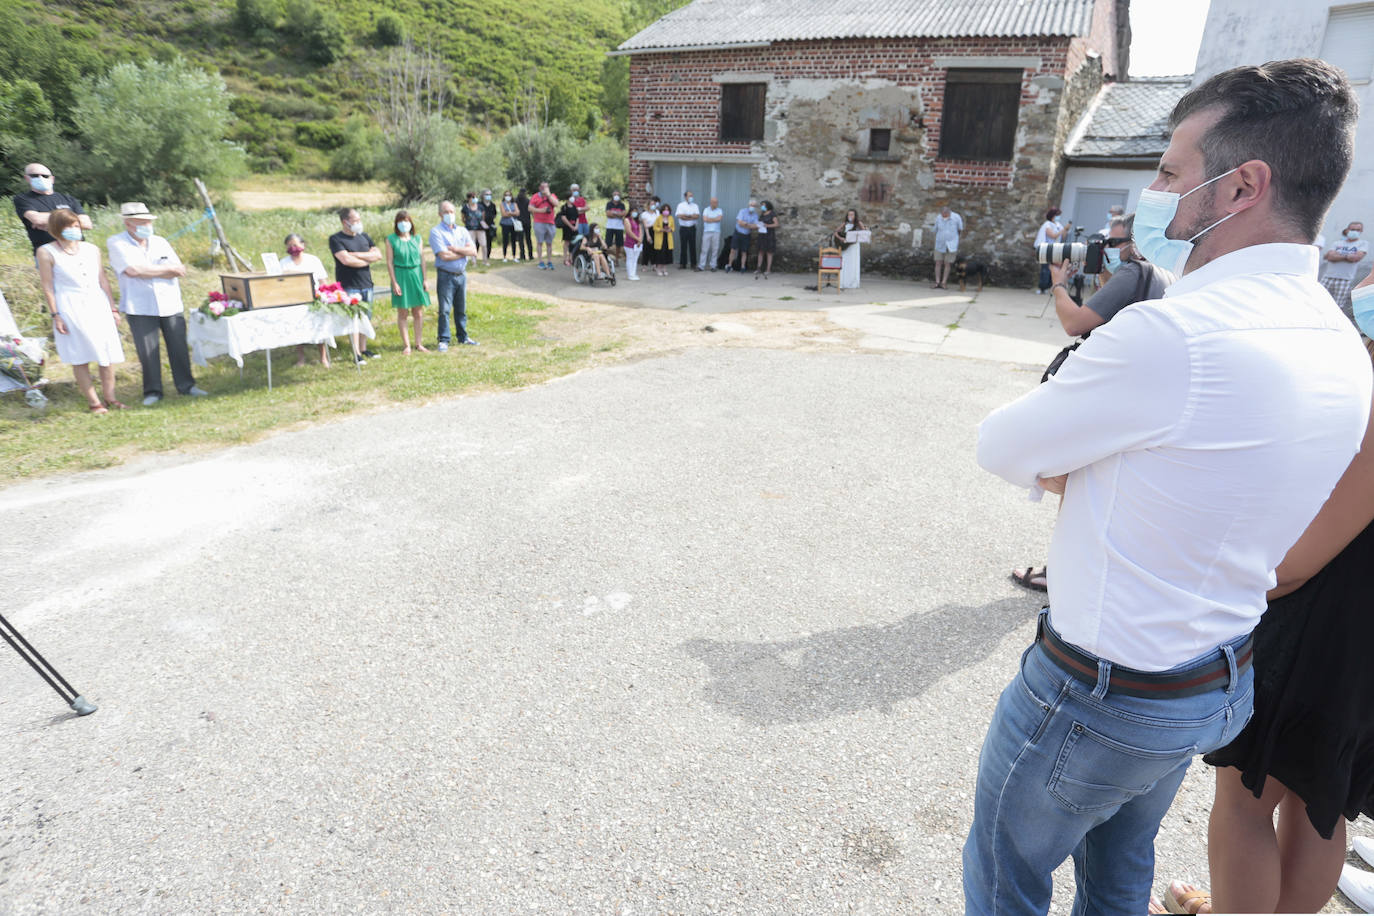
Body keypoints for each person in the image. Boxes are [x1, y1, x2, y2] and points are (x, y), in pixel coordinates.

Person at [965, 58, 1372, 916]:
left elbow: (1002, 441)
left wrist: (1091, 463)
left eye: (1170, 172)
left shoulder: (1173, 335)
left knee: (1006, 877)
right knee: (1119, 870)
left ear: (1240, 187)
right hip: (1213, 675)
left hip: (1101, 685)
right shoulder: (1337, 337)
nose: (1153, 192)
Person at [1157, 275, 1374, 915]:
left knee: (1249, 803)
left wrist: (1216, 588)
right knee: (1322, 802)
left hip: (1325, 624)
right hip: (1363, 642)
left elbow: (1303, 560)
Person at [1010, 213, 1174, 592]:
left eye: (1113, 244)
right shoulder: (1164, 275)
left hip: (1113, 395)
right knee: (1110, 489)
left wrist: (1058, 286)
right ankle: (1090, 570)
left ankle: (1060, 572)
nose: (1107, 250)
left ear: (1134, 245)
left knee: (1077, 481)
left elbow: (1076, 323)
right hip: (1143, 395)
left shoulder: (1134, 272)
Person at [106, 202, 206, 406]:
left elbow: (179, 269)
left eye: (148, 222)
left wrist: (148, 270)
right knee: (147, 350)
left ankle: (186, 385)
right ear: (128, 223)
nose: (147, 226)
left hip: (169, 302)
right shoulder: (116, 243)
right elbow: (133, 271)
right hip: (139, 305)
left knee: (178, 346)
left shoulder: (160, 242)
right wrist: (162, 270)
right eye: (141, 222)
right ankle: (153, 391)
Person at [37, 208, 125, 413]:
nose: (74, 230)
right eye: (69, 226)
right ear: (57, 229)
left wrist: (112, 307)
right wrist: (56, 314)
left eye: (76, 225)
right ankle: (94, 401)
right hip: (70, 304)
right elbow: (48, 285)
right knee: (80, 353)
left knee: (107, 352)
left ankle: (111, 396)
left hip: (97, 301)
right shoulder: (46, 252)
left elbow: (102, 278)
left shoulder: (91, 249)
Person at [329, 207, 383, 365]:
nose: (359, 223)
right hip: (349, 285)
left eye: (359, 220)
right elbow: (345, 260)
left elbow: (378, 255)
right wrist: (367, 259)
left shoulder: (364, 237)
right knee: (352, 319)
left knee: (366, 317)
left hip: (367, 284)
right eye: (355, 221)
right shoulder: (336, 239)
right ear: (345, 222)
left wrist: (356, 255)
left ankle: (364, 348)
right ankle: (356, 353)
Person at [430, 200, 479, 350]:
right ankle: (444, 339)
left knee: (461, 308)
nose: (449, 215)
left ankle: (463, 337)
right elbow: (444, 256)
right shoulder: (436, 232)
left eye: (451, 211)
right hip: (446, 275)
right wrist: (463, 253)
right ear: (440, 214)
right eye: (446, 212)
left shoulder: (462, 231)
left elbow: (474, 251)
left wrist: (456, 250)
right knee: (444, 310)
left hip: (461, 275)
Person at [13, 162, 90, 255]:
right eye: (35, 175)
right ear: (27, 178)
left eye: (45, 176)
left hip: (78, 248)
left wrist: (50, 223)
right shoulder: (23, 199)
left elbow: (87, 223)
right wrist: (71, 219)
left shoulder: (69, 199)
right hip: (48, 252)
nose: (40, 178)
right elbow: (37, 219)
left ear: (52, 179)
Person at [281, 234, 332, 368]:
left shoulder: (313, 260)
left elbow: (323, 281)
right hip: (293, 300)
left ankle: (323, 357)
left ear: (303, 245)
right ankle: (301, 358)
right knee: (297, 329)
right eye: (290, 245)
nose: (293, 248)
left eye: (296, 245)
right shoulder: (283, 263)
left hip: (313, 298)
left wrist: (325, 295)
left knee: (318, 327)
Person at [385, 210, 429, 356]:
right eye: (401, 221)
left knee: (418, 311)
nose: (405, 224)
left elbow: (422, 259)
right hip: (401, 275)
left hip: (416, 274)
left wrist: (425, 279)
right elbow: (390, 262)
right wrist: (394, 282)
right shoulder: (391, 239)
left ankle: (419, 343)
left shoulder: (417, 238)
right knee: (402, 312)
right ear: (397, 223)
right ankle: (406, 345)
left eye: (407, 220)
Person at [1320, 220, 1367, 318]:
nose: (1355, 231)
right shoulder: (1337, 243)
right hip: (1328, 276)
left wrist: (1337, 256)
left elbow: (1356, 258)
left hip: (1345, 279)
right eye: (1352, 229)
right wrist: (1347, 257)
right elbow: (1329, 257)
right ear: (1347, 230)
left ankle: (1333, 321)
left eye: (1358, 230)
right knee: (1319, 299)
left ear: (1361, 231)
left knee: (1338, 306)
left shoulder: (1363, 244)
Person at [1033, 207, 1071, 293]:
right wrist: (1063, 229)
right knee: (1045, 269)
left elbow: (1063, 237)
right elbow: (1053, 235)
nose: (1058, 217)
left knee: (1052, 269)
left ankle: (1049, 287)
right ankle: (1042, 287)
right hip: (1045, 249)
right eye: (1057, 215)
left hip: (1054, 250)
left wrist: (1066, 230)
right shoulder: (1047, 224)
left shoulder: (1058, 225)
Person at [932, 204, 963, 289]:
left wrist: (954, 239)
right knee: (938, 262)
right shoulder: (938, 217)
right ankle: (937, 282)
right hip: (940, 243)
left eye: (945, 215)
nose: (943, 216)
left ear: (949, 213)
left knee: (947, 263)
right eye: (942, 214)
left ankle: (944, 282)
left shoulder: (956, 217)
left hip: (951, 244)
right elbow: (935, 229)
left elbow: (960, 229)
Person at [832, 209, 865, 289]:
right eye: (849, 215)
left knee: (853, 263)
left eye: (852, 215)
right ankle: (844, 282)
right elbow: (835, 232)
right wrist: (841, 238)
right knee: (845, 263)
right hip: (846, 245)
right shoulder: (845, 223)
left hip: (854, 246)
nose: (850, 216)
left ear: (855, 216)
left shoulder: (858, 223)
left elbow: (864, 233)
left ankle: (853, 283)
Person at [529, 182, 558, 270]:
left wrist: (548, 195)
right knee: (540, 242)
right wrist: (541, 210)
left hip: (550, 223)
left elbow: (556, 204)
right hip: (539, 222)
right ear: (539, 188)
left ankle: (549, 261)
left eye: (546, 187)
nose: (544, 188)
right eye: (542, 187)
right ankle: (540, 262)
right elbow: (530, 208)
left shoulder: (552, 195)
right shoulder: (535, 196)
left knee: (549, 243)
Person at [726, 199, 759, 273]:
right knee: (733, 250)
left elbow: (756, 226)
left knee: (744, 252)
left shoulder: (755, 215)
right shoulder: (742, 211)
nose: (752, 207)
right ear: (749, 205)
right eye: (751, 205)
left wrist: (746, 224)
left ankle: (742, 267)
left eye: (754, 206)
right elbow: (739, 222)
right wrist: (749, 225)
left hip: (746, 235)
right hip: (738, 233)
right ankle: (729, 265)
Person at [675, 190, 700, 270]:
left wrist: (686, 217)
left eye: (692, 196)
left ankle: (693, 264)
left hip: (692, 228)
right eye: (689, 196)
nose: (691, 197)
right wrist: (690, 216)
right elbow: (680, 216)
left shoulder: (695, 206)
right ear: (685, 197)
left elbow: (696, 216)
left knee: (692, 246)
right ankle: (683, 263)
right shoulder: (681, 205)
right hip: (683, 228)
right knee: (683, 246)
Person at [755, 200, 778, 279]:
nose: (762, 207)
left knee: (769, 252)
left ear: (768, 206)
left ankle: (768, 269)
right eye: (761, 205)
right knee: (760, 251)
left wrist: (767, 225)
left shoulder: (772, 214)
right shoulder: (762, 214)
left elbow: (776, 224)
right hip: (762, 235)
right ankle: (758, 268)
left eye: (764, 205)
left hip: (769, 235)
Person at [650, 204, 676, 276]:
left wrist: (670, 229)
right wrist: (661, 229)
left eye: (667, 210)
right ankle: (658, 269)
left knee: (666, 253)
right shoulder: (659, 218)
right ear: (662, 210)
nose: (666, 211)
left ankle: (664, 269)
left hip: (668, 238)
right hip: (660, 238)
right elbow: (654, 227)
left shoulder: (671, 218)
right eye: (664, 210)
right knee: (660, 254)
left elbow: (673, 228)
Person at [699, 196, 724, 271]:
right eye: (714, 202)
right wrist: (714, 219)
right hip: (707, 232)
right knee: (704, 249)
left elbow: (719, 219)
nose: (716, 203)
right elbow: (705, 219)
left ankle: (713, 266)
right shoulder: (706, 210)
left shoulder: (720, 210)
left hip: (716, 232)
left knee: (715, 249)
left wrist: (710, 219)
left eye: (717, 202)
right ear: (711, 203)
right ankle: (701, 266)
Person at [557, 195, 581, 267]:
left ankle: (571, 257)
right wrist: (570, 226)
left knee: (574, 242)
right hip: (567, 227)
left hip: (574, 227)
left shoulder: (574, 207)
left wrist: (576, 226)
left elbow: (577, 218)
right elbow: (563, 218)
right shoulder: (564, 207)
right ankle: (565, 258)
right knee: (567, 242)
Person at [604, 192, 627, 264]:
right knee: (607, 243)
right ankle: (605, 258)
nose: (616, 196)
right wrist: (618, 215)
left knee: (619, 244)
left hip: (619, 227)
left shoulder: (622, 205)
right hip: (610, 226)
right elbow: (608, 214)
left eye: (618, 195)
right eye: (615, 195)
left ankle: (616, 259)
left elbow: (623, 214)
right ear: (612, 196)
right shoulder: (609, 204)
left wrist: (614, 213)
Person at [462, 194, 486, 261]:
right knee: (472, 245)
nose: (475, 198)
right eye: (473, 197)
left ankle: (485, 260)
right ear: (469, 199)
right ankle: (473, 261)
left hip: (480, 228)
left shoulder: (480, 207)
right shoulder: (465, 208)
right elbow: (463, 218)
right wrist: (469, 224)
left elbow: (483, 217)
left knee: (483, 244)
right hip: (470, 229)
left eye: (475, 197)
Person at [499, 190, 521, 262]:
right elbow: (503, 214)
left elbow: (518, 213)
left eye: (509, 195)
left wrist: (509, 213)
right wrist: (513, 213)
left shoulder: (514, 204)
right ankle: (504, 256)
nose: (507, 197)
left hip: (513, 224)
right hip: (505, 224)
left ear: (511, 196)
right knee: (505, 240)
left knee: (514, 240)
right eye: (506, 195)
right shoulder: (502, 204)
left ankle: (514, 256)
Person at [624, 205, 643, 281]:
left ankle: (634, 273)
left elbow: (640, 231)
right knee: (630, 258)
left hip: (638, 243)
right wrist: (637, 238)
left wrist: (640, 239)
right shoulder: (627, 220)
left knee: (635, 259)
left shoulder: (637, 221)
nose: (635, 213)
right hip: (630, 242)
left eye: (636, 211)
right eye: (633, 211)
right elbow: (629, 231)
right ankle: (630, 274)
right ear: (630, 212)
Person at [480, 190, 498, 262]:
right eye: (486, 194)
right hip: (480, 225)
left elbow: (495, 214)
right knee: (478, 242)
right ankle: (475, 256)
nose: (488, 196)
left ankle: (487, 256)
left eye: (490, 194)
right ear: (483, 196)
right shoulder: (479, 204)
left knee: (489, 242)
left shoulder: (493, 205)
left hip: (490, 225)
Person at [515, 187, 532, 262]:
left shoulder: (516, 200)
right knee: (528, 239)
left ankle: (522, 255)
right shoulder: (528, 200)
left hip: (519, 221)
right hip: (527, 221)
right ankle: (530, 255)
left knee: (521, 240)